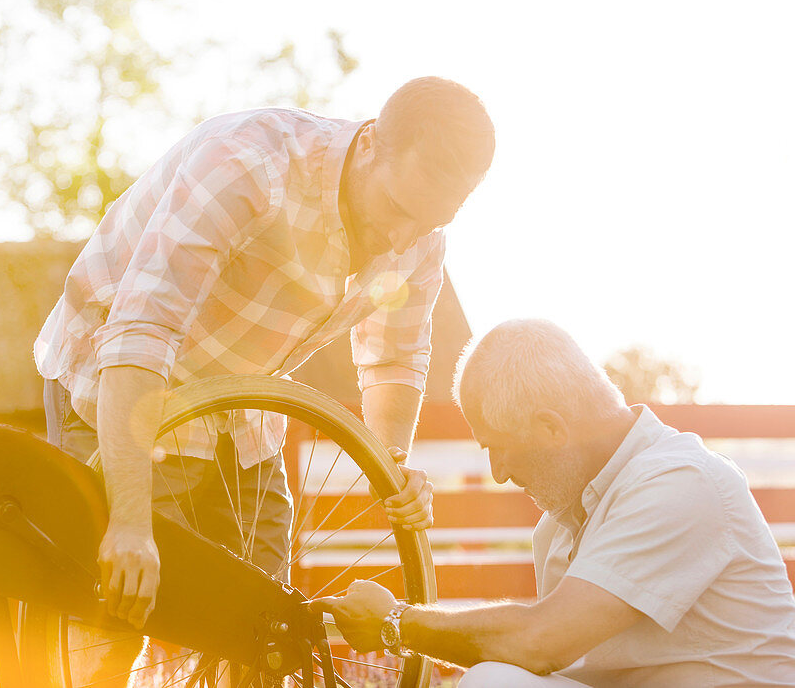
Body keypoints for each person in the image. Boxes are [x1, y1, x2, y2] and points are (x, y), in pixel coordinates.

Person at [33, 78, 495, 658]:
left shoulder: (420, 240)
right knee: (119, 611)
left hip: (242, 410)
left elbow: (394, 358)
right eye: (398, 209)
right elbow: (140, 332)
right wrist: (127, 523)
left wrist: (391, 465)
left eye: (427, 223)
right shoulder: (247, 165)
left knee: (265, 633)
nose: (402, 240)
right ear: (372, 142)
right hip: (119, 374)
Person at [314, 319, 795, 687]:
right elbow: (543, 660)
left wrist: (394, 622)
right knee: (496, 681)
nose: (499, 473)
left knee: (492, 685)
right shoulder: (558, 530)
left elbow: (539, 642)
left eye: (497, 447)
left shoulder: (680, 482)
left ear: (551, 428)